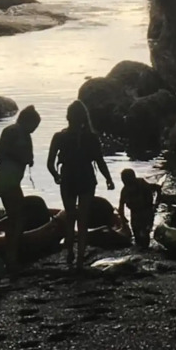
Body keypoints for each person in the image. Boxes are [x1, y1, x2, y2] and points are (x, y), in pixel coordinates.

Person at [47, 100, 114, 270]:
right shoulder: (91, 137)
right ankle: (80, 259)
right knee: (83, 219)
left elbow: (50, 163)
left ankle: (69, 252)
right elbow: (100, 161)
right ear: (84, 118)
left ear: (68, 117)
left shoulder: (59, 137)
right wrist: (108, 179)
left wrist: (56, 175)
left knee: (70, 216)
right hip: (86, 178)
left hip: (68, 178)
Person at [0, 105, 41, 269]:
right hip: (6, 177)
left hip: (11, 178)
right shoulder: (12, 131)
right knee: (17, 218)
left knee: (16, 216)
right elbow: (1, 154)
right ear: (27, 121)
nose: (34, 130)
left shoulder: (24, 134)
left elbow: (25, 154)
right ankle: (11, 256)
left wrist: (28, 158)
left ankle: (12, 252)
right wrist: (22, 157)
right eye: (34, 126)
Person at [118, 167, 162, 248]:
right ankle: (140, 249)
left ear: (133, 179)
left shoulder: (143, 184)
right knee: (137, 234)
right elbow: (121, 206)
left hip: (147, 212)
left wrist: (157, 202)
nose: (126, 184)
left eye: (127, 181)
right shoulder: (125, 190)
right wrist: (123, 219)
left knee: (145, 233)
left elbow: (158, 188)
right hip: (134, 214)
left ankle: (146, 248)